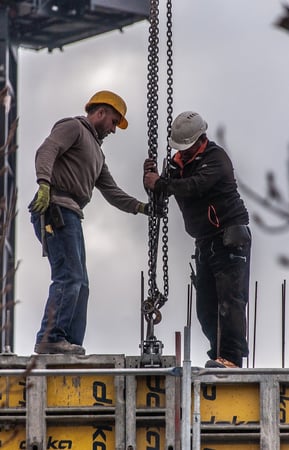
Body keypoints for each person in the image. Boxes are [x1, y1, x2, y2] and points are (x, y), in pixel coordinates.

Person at [29, 90, 148, 355]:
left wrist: (141, 208)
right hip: (55, 208)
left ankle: (69, 341)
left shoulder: (96, 153)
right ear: (101, 112)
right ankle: (50, 337)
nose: (114, 130)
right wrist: (44, 184)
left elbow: (112, 191)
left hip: (71, 214)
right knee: (69, 275)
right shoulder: (73, 127)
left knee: (81, 282)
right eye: (114, 122)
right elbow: (47, 150)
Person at [143, 111, 251, 368]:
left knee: (230, 300)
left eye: (187, 148)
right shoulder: (179, 163)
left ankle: (231, 358)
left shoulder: (216, 158)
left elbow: (194, 186)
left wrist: (160, 183)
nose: (184, 152)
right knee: (205, 308)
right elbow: (163, 192)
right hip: (205, 242)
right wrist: (153, 181)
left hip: (229, 239)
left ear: (200, 139)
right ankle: (218, 354)